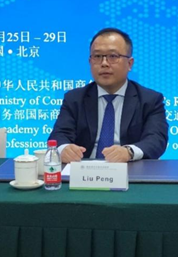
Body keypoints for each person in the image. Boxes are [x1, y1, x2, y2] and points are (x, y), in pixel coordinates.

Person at [49, 28, 168, 163]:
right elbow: (59, 135)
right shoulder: (75, 99)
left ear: (129, 64)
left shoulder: (150, 100)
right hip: (84, 170)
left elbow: (156, 139)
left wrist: (129, 152)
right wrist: (64, 149)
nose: (104, 63)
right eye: (97, 56)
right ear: (90, 62)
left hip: (129, 169)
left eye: (113, 56)